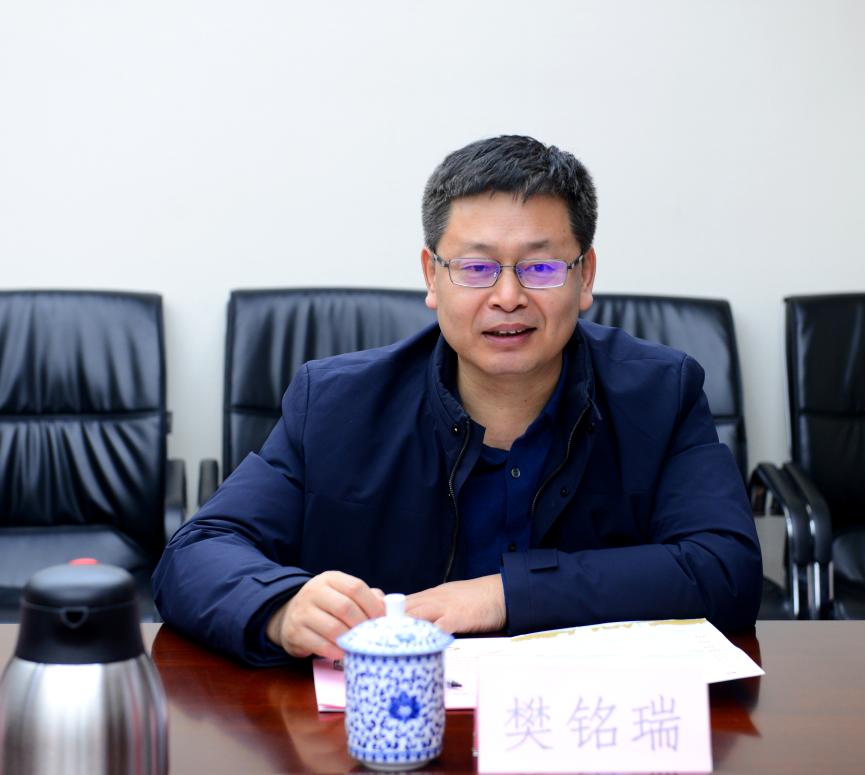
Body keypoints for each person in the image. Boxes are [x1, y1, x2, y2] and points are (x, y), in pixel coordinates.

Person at [153, 135, 762, 666]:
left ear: (586, 276)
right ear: (431, 276)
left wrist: (506, 594)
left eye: (541, 268)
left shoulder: (661, 393)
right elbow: (195, 554)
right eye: (476, 268)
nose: (507, 296)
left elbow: (725, 569)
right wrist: (281, 608)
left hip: (582, 728)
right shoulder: (336, 405)